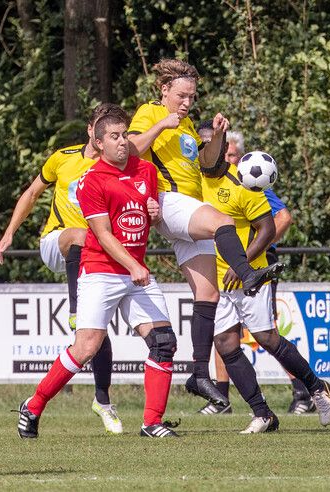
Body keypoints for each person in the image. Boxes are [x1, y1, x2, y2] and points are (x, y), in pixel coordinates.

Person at [128, 59, 283, 408]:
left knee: (208, 295)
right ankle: (247, 273)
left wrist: (218, 134)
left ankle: (198, 372)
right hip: (167, 201)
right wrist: (161, 125)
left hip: (189, 209)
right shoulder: (150, 113)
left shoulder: (186, 127)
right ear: (164, 90)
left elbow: (210, 164)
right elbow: (132, 150)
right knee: (223, 222)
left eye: (192, 98)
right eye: (181, 96)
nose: (186, 103)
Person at [16, 109, 180, 438]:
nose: (123, 142)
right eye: (115, 137)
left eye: (125, 134)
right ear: (99, 142)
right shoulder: (92, 180)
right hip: (102, 270)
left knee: (164, 342)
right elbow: (102, 234)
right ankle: (33, 405)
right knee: (86, 348)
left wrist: (155, 213)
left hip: (135, 273)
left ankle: (152, 423)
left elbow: (149, 218)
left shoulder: (146, 171)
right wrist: (134, 265)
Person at [198, 122, 330, 430]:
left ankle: (315, 387)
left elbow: (269, 228)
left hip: (250, 276)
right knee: (225, 342)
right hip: (216, 279)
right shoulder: (194, 181)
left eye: (209, 145)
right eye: (200, 146)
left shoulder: (244, 184)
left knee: (266, 338)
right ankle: (263, 414)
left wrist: (240, 263)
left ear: (221, 150)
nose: (203, 152)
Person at [0, 103, 123, 434]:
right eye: (102, 130)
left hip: (96, 256)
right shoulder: (63, 158)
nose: (105, 138)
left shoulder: (118, 166)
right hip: (57, 243)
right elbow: (32, 192)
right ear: (90, 131)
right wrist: (10, 232)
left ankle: (103, 401)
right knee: (80, 235)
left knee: (95, 335)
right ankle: (75, 308)